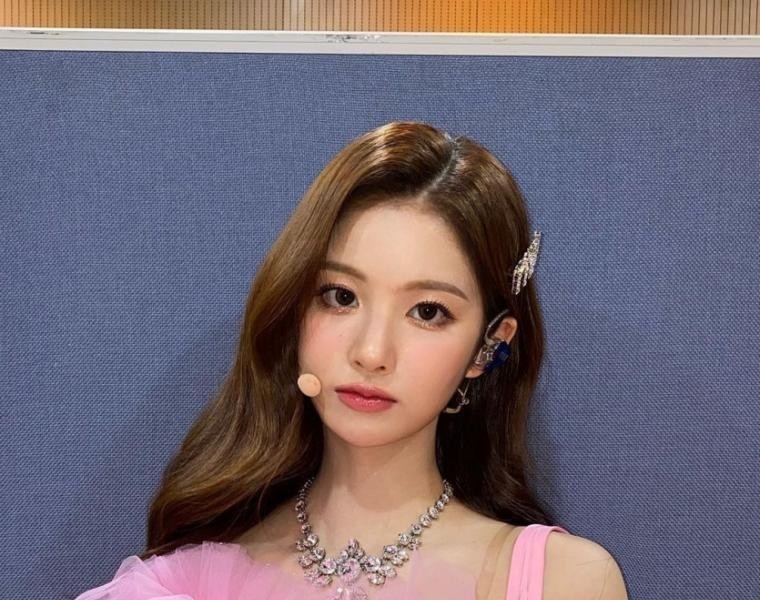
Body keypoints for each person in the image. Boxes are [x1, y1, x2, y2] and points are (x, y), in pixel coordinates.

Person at [73, 121, 628, 599]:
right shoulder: (187, 581)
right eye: (340, 297)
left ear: (489, 345)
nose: (371, 353)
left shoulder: (563, 581)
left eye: (428, 311)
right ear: (295, 308)